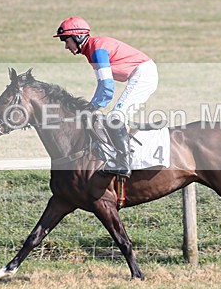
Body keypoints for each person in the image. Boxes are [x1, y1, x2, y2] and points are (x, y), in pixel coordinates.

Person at [54, 16, 158, 177]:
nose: (66, 46)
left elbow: (107, 87)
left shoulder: (97, 50)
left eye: (66, 41)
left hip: (144, 75)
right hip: (141, 73)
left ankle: (124, 164)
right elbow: (104, 87)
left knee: (116, 117)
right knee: (114, 117)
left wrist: (90, 107)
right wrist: (91, 106)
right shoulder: (92, 50)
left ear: (78, 37)